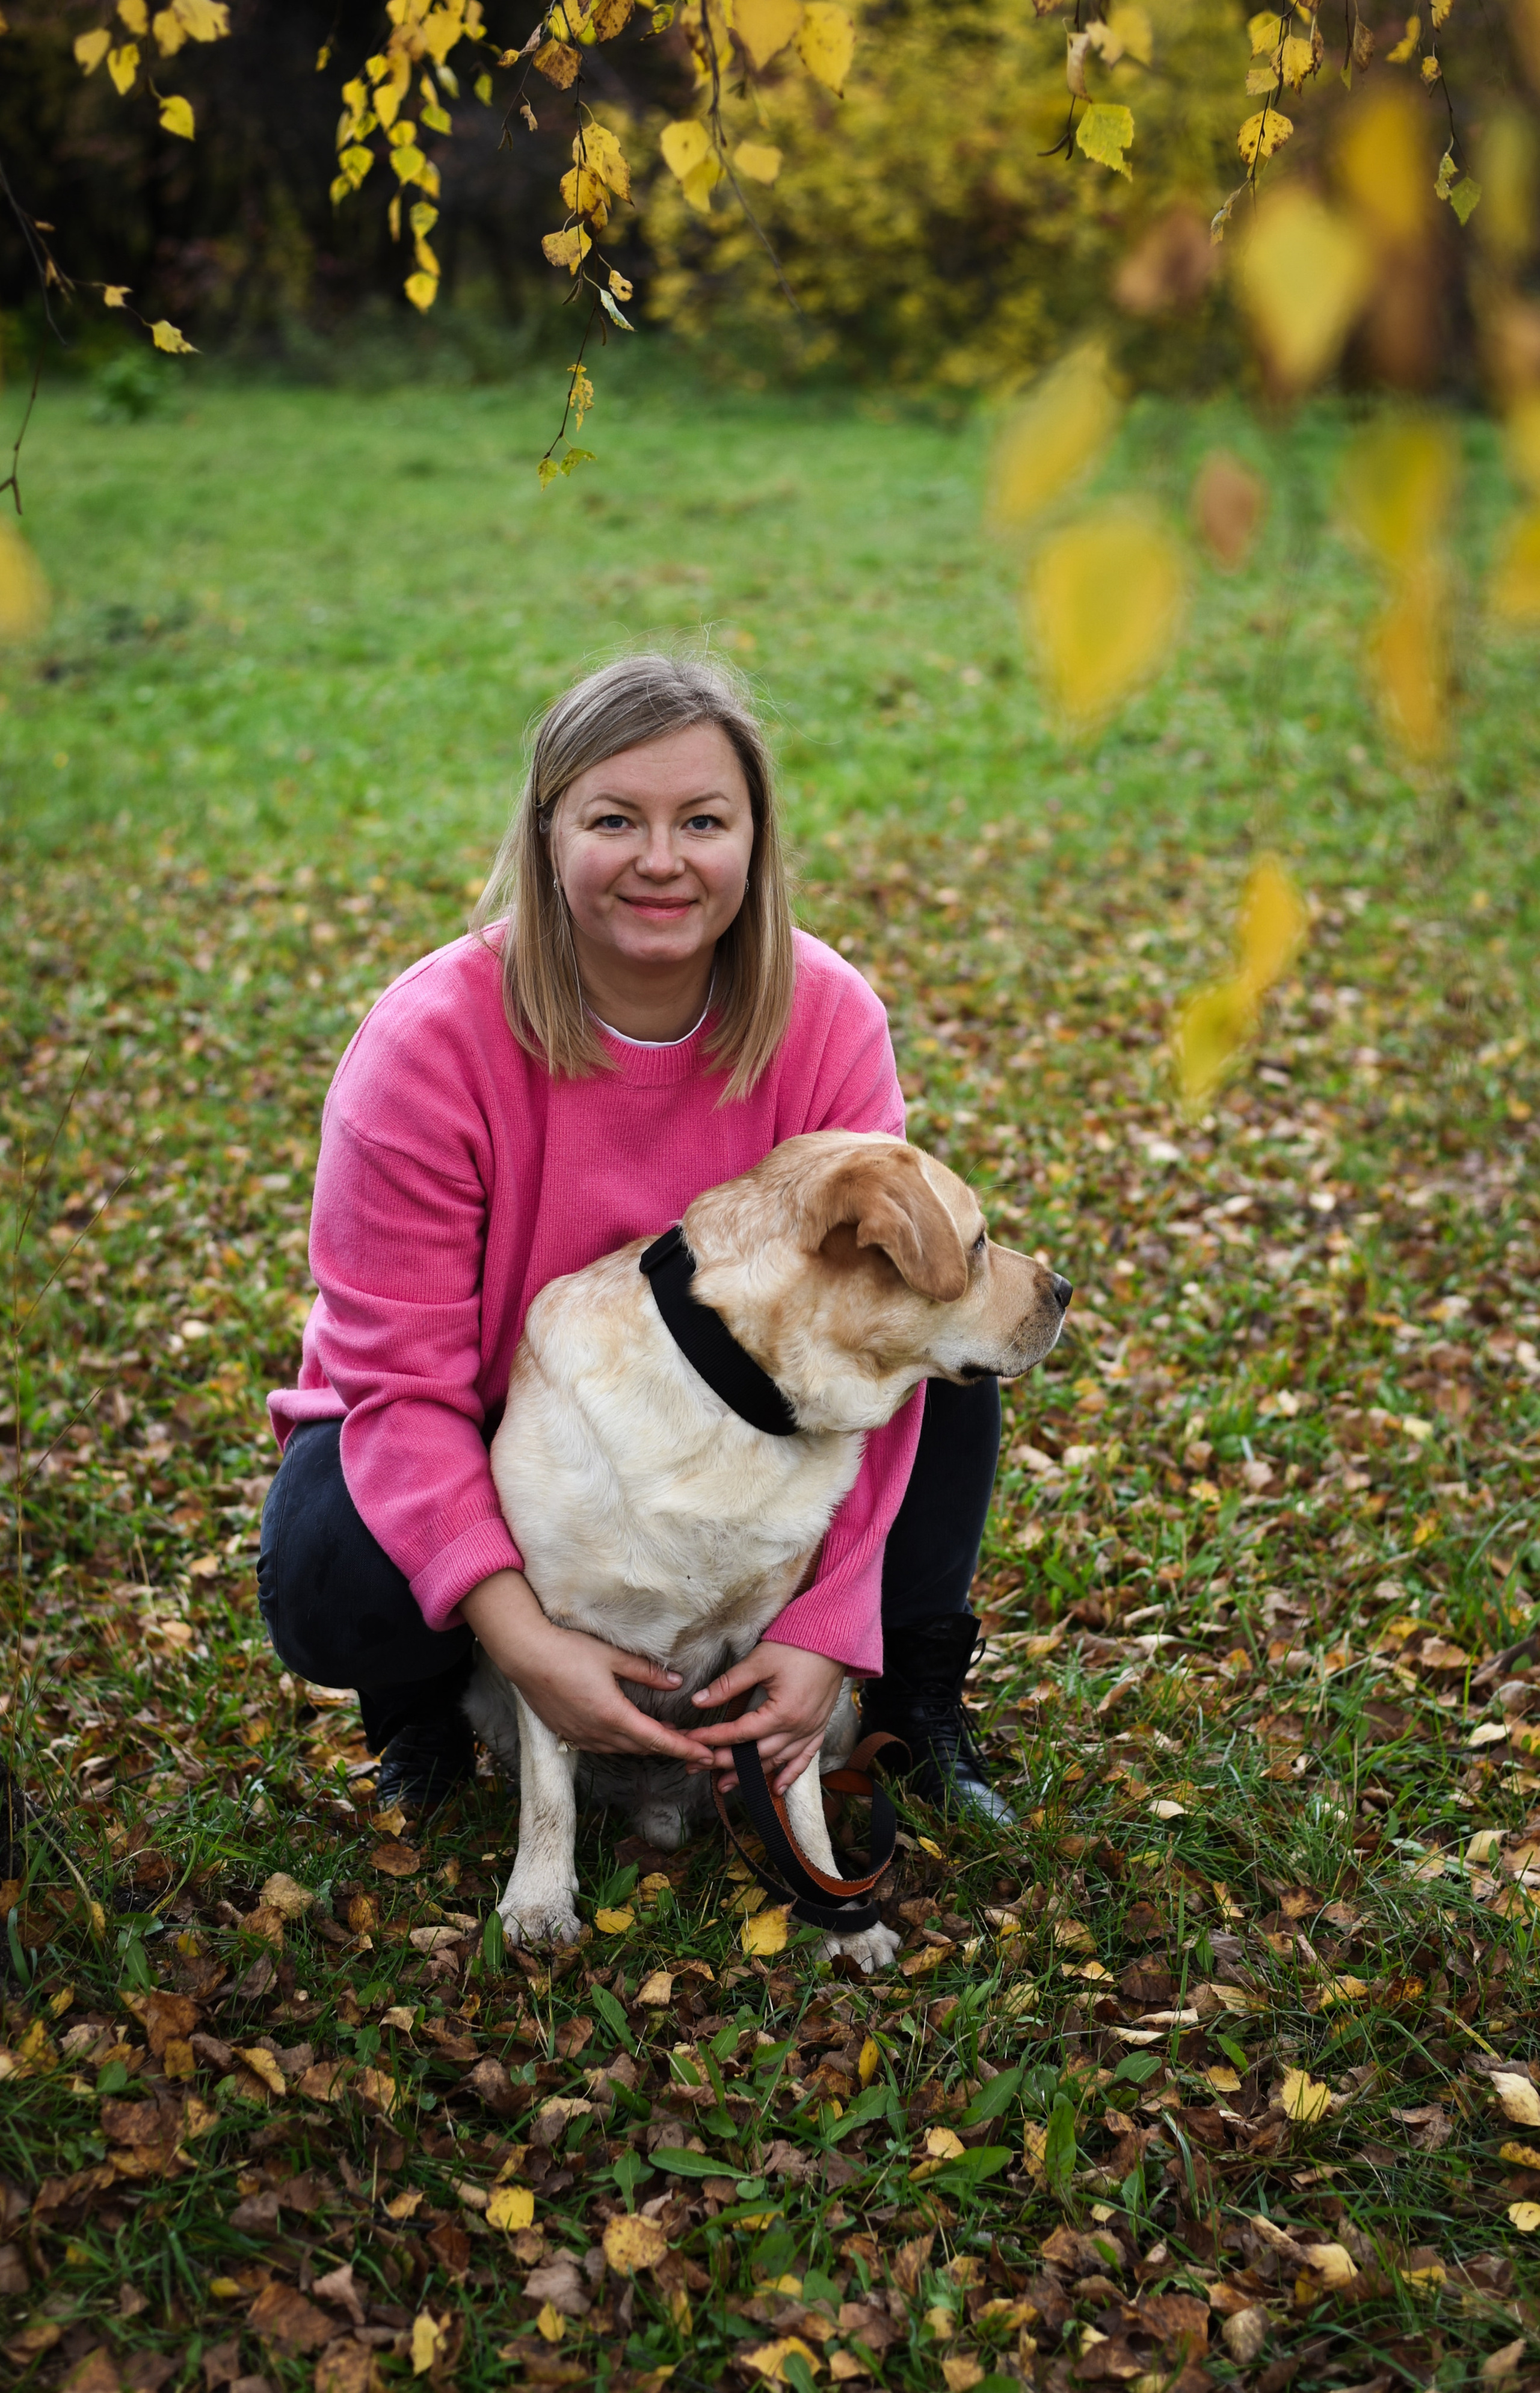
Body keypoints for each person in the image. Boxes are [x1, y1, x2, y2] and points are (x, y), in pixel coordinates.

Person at [258, 653, 1012, 1827]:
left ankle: (909, 1694)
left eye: (702, 821)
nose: (662, 861)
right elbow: (396, 1380)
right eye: (615, 819)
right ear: (548, 834)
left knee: (934, 1345)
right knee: (330, 1569)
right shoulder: (426, 1044)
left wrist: (825, 1633)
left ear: (753, 842)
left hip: (731, 1417)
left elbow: (892, 1309)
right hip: (493, 1425)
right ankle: (424, 1709)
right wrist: (520, 1638)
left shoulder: (823, 1021)